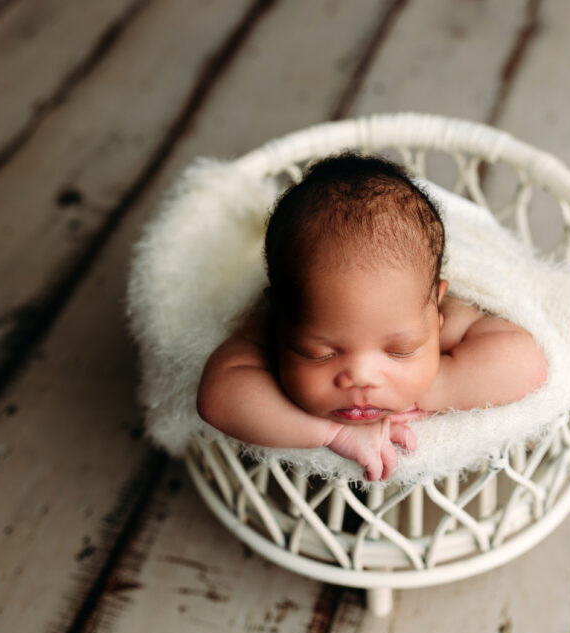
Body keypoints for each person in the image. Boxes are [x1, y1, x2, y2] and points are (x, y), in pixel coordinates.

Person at [197, 153, 547, 482]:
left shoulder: (428, 314)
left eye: (400, 351)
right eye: (320, 353)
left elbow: (525, 362)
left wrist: (433, 388)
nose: (362, 379)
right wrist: (333, 432)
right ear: (279, 314)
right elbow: (217, 396)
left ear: (435, 306)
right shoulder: (276, 323)